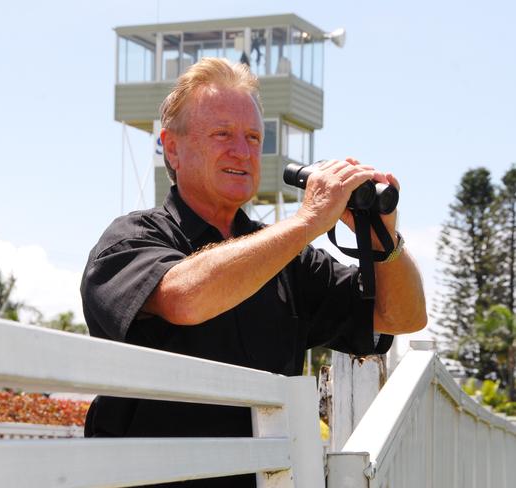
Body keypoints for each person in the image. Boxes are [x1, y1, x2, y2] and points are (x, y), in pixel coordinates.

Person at [81, 57, 427, 487]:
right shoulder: (131, 238)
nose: (242, 152)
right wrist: (307, 221)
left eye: (253, 137)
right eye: (222, 134)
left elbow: (401, 317)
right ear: (172, 147)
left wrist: (384, 241)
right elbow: (185, 298)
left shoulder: (289, 259)